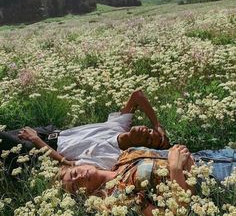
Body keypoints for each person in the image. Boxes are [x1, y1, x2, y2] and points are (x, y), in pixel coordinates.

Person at [0, 90, 170, 170]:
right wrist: (157, 125)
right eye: (149, 132)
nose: (145, 133)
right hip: (48, 132)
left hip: (41, 150)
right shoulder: (120, 125)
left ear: (141, 149)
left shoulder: (111, 157)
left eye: (148, 141)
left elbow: (69, 164)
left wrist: (35, 140)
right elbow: (137, 96)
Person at [60, 144, 195, 216]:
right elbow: (177, 213)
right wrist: (176, 169)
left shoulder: (124, 157)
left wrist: (178, 151)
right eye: (76, 186)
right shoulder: (118, 199)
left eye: (74, 173)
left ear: (82, 164)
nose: (79, 177)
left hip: (207, 157)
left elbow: (168, 153)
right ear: (84, 195)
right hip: (208, 181)